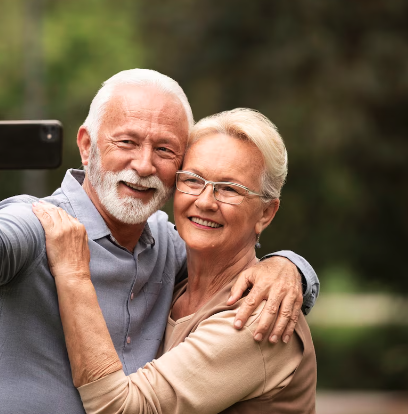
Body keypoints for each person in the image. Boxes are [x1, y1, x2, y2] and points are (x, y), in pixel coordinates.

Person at [0, 69, 319, 414]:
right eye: (126, 142)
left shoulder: (172, 248)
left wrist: (289, 268)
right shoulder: (37, 224)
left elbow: (230, 260)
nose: (143, 165)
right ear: (87, 145)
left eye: (164, 150)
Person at [33, 108, 316, 414]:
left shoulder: (257, 317)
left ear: (266, 213)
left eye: (230, 189)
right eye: (193, 180)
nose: (205, 202)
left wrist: (73, 275)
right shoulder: (173, 283)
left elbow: (122, 409)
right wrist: (290, 264)